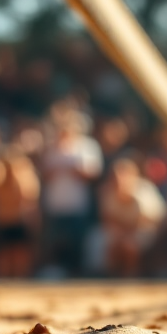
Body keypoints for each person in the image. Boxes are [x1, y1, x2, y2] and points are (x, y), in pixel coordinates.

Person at [40, 107, 103, 276]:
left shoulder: (88, 146)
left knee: (78, 244)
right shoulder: (51, 147)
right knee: (55, 244)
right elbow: (45, 174)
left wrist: (72, 168)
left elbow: (93, 173)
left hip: (78, 205)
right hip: (55, 205)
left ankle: (78, 275)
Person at [100, 157, 165, 278]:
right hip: (121, 230)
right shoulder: (109, 191)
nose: (120, 178)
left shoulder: (145, 190)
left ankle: (131, 276)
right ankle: (111, 276)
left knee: (130, 245)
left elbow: (152, 220)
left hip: (145, 230)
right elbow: (108, 219)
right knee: (107, 242)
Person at [0, 148, 41, 279]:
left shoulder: (25, 175)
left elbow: (28, 195)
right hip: (2, 220)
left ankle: (20, 279)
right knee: (2, 253)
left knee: (20, 252)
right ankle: (2, 280)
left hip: (19, 220)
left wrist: (16, 175)